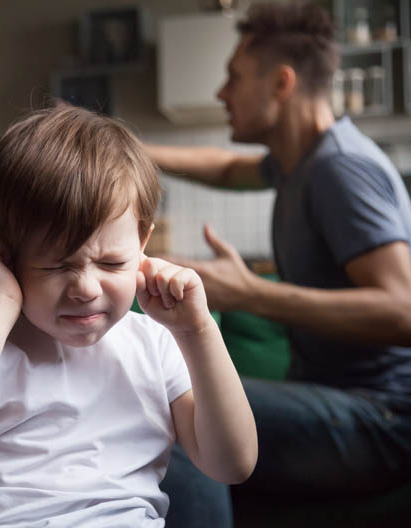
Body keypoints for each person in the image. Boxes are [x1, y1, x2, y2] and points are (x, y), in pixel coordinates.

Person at [0, 104, 257, 527]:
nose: (85, 288)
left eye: (112, 264)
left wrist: (198, 331)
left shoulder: (155, 344)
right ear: (3, 256)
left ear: (143, 243)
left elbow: (233, 463)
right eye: (56, 265)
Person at [145, 0, 411, 522]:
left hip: (384, 419)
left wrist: (248, 294)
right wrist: (126, 146)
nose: (221, 93)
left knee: (174, 408)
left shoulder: (340, 169)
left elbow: (404, 310)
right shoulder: (299, 162)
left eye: (234, 77)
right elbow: (223, 168)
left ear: (281, 83)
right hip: (349, 403)